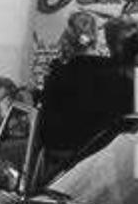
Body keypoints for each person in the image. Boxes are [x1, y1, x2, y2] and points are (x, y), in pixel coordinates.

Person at [38, 13, 117, 178]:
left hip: (61, 156)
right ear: (95, 36)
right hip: (98, 156)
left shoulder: (58, 71)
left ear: (68, 35)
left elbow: (46, 118)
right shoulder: (110, 71)